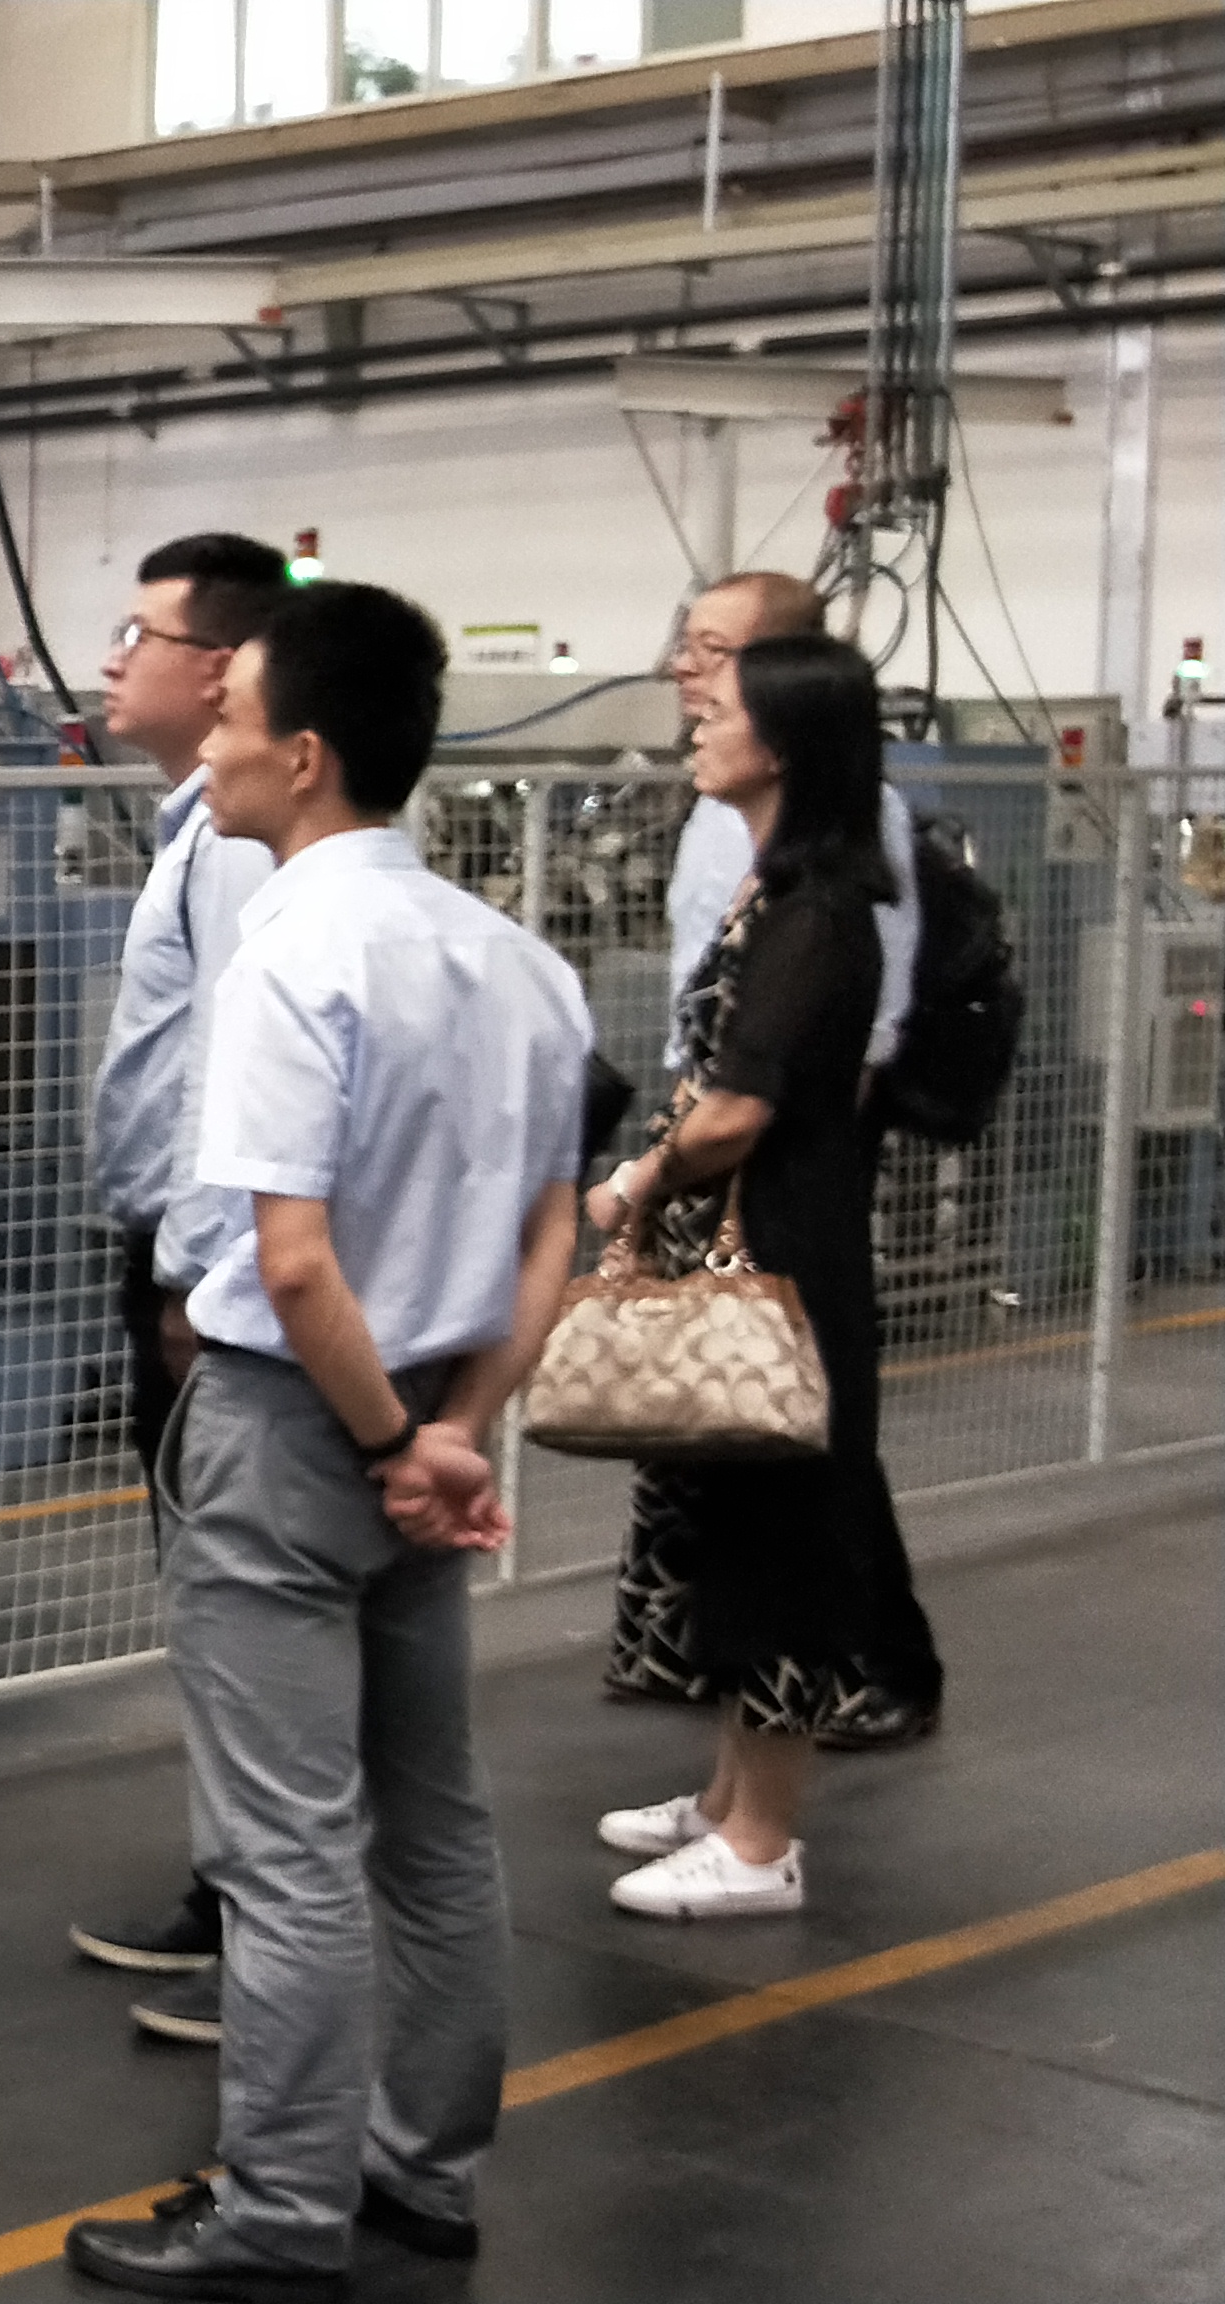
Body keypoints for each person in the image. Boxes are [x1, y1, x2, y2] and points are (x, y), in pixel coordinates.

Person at [64, 580, 588, 2301]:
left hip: (303, 1431)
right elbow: (552, 1238)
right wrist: (457, 1434)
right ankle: (424, 2172)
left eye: (230, 719)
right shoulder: (517, 962)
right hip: (431, 1419)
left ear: (301, 755)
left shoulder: (292, 953)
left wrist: (380, 1443)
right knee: (433, 1826)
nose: (206, 745)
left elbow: (290, 1261)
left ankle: (281, 2209)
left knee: (283, 1847)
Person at [581, 631, 922, 1924]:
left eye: (717, 704)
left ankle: (763, 1842)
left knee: (782, 1541)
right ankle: (729, 1800)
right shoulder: (772, 892)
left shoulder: (817, 913)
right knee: (726, 1529)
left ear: (781, 742)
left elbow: (735, 1111)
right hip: (749, 1251)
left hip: (784, 1261)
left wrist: (635, 1182)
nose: (695, 721)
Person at [62, 532, 295, 2042]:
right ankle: (236, 1897)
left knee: (246, 1610)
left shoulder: (246, 840)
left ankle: (273, 1945)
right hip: (180, 1252)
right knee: (209, 1602)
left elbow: (238, 1069)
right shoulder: (202, 829)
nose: (111, 659)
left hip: (214, 1277)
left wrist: (197, 1277)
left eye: (138, 634)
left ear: (219, 671)